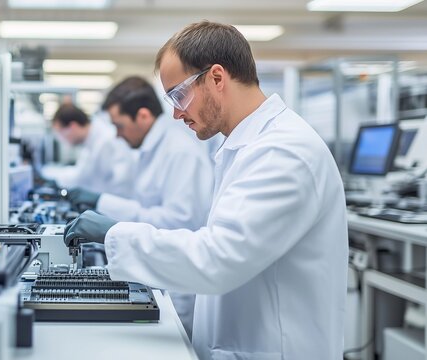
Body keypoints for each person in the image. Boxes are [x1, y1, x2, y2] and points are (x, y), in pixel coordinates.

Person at [64, 21, 348, 360]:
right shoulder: (245, 146)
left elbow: (218, 259)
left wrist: (115, 233)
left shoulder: (284, 152)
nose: (174, 113)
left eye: (178, 95)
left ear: (216, 78)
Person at [66, 77, 214, 338]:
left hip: (177, 288)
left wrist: (111, 223)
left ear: (143, 116)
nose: (117, 134)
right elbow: (142, 205)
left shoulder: (179, 152)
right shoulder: (150, 149)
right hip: (156, 275)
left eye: (119, 125)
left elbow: (179, 222)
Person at [40, 103, 134, 197]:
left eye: (60, 133)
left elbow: (82, 177)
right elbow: (81, 173)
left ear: (73, 126)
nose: (61, 140)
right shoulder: (92, 139)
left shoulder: (105, 140)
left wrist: (49, 175)